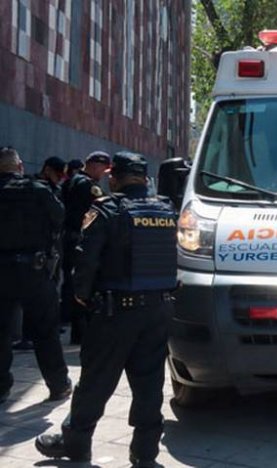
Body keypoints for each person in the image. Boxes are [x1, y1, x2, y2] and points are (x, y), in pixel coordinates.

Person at [36, 152, 178, 467]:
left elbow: (85, 264)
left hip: (116, 311)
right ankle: (145, 453)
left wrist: (83, 299)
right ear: (144, 178)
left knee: (96, 380)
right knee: (149, 382)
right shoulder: (168, 211)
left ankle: (75, 442)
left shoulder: (107, 211)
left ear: (114, 177)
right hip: (157, 310)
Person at [0, 147, 71, 404]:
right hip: (34, 270)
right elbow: (59, 219)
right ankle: (58, 384)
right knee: (45, 331)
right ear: (19, 167)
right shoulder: (39, 191)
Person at [60, 151, 111, 344]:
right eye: (103, 169)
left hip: (69, 237)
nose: (104, 174)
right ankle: (82, 332)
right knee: (84, 283)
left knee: (71, 283)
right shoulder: (88, 186)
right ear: (94, 165)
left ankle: (75, 328)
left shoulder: (72, 180)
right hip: (80, 239)